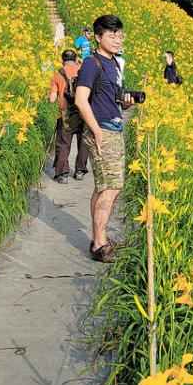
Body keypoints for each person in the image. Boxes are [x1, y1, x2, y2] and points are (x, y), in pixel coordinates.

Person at [74, 15, 136, 262]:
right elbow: (80, 99)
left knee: (102, 187)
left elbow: (111, 100)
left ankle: (97, 239)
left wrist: (126, 104)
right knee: (112, 188)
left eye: (120, 35)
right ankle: (100, 245)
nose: (117, 40)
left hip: (114, 129)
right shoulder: (91, 63)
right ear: (98, 38)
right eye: (112, 36)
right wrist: (97, 131)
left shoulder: (115, 64)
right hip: (103, 132)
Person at [48, 49, 89, 184]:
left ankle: (63, 174)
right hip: (84, 110)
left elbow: (52, 100)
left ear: (62, 60)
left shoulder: (58, 74)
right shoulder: (83, 71)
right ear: (76, 58)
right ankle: (79, 171)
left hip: (65, 113)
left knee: (63, 143)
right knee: (83, 142)